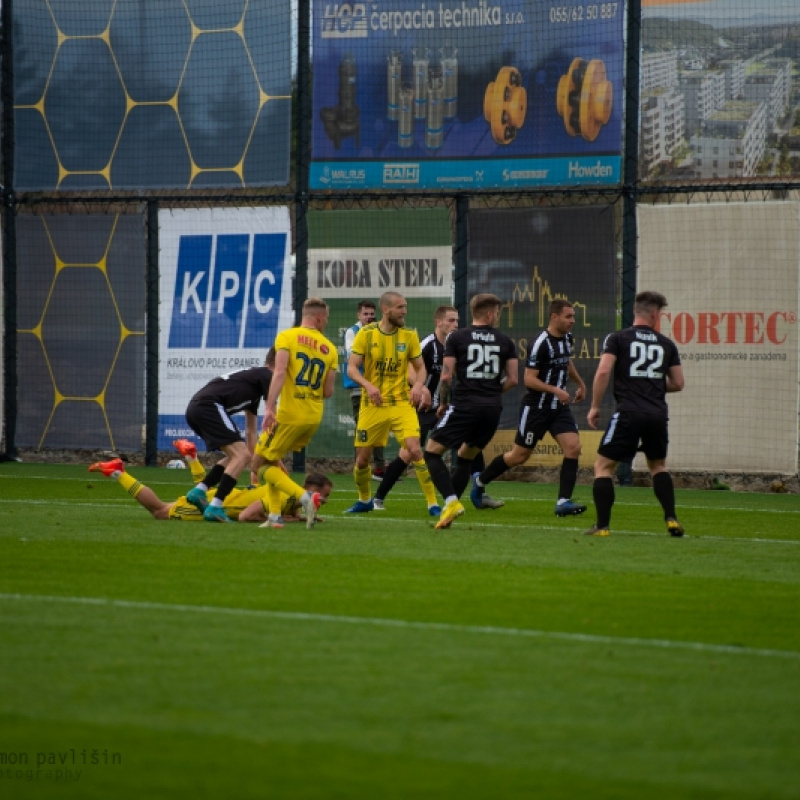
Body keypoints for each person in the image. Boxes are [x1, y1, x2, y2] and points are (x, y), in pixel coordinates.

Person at [470, 299, 587, 517]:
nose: (573, 321)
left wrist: (580, 383)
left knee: (573, 448)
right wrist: (555, 390)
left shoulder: (567, 338)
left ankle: (563, 502)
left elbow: (566, 361)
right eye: (568, 316)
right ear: (554, 317)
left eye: (573, 316)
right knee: (518, 456)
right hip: (537, 408)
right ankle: (479, 480)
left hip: (559, 408)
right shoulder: (540, 343)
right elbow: (529, 380)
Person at [584, 290, 685, 537]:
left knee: (603, 467)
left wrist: (595, 406)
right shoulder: (666, 343)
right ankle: (671, 518)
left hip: (629, 411)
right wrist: (651, 384)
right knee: (658, 466)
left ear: (635, 312)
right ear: (653, 314)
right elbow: (678, 383)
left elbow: (603, 371)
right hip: (658, 413)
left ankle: (602, 526)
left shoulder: (619, 338)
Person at [424, 293, 519, 529]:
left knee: (431, 453)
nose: (497, 316)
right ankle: (450, 511)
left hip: (465, 404)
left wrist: (444, 403)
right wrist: (492, 393)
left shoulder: (457, 337)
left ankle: (450, 500)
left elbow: (446, 376)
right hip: (492, 409)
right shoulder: (506, 341)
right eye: (497, 312)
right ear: (489, 314)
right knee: (466, 455)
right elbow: (514, 379)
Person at [344, 290, 440, 515]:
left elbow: (421, 368)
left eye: (405, 307)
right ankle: (365, 500)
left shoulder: (408, 336)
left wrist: (417, 386)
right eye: (400, 307)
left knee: (415, 449)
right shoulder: (366, 334)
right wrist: (367, 384)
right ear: (386, 309)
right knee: (362, 461)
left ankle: (433, 504)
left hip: (400, 403)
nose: (405, 311)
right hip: (373, 405)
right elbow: (351, 368)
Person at [254, 297, 338, 529]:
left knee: (257, 465)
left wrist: (269, 408)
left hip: (289, 414)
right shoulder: (330, 348)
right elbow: (328, 392)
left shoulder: (287, 337)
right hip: (312, 416)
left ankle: (305, 498)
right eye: (326, 319)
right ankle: (274, 516)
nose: (326, 323)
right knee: (271, 460)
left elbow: (279, 372)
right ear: (319, 318)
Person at [88, 449, 333, 524]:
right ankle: (118, 472)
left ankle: (192, 458)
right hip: (222, 503)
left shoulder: (289, 493)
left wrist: (298, 518)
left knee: (202, 486)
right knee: (160, 511)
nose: (326, 501)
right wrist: (294, 520)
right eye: (325, 496)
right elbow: (248, 516)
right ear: (310, 491)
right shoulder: (285, 497)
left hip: (226, 496)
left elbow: (286, 510)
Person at [182, 352, 275, 523]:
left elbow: (250, 431)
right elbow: (273, 413)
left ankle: (200, 490)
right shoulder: (267, 374)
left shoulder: (254, 386)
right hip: (208, 406)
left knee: (239, 455)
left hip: (197, 408)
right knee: (241, 455)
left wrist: (254, 460)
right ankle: (216, 506)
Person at [343, 300, 386, 480]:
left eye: (371, 314)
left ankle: (380, 470)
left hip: (378, 387)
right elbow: (354, 356)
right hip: (359, 389)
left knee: (380, 427)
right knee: (363, 430)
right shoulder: (353, 332)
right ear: (358, 315)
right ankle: (360, 468)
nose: (369, 317)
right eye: (365, 314)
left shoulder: (378, 330)